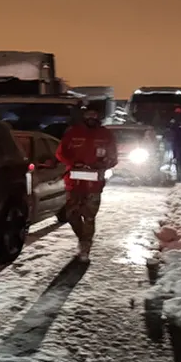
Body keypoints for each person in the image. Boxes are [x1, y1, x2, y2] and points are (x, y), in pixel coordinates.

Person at [55, 100, 119, 262]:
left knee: (89, 217)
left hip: (94, 184)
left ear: (99, 116)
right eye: (88, 114)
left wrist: (103, 164)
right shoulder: (73, 132)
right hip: (74, 182)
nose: (91, 117)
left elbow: (113, 158)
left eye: (94, 114)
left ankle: (85, 248)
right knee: (71, 215)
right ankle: (83, 239)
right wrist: (72, 163)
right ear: (83, 116)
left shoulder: (106, 135)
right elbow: (60, 153)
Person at [167, 117, 181, 182]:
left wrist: (174, 153)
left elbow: (174, 144)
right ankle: (179, 177)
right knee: (179, 164)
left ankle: (179, 177)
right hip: (180, 151)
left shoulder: (175, 135)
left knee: (178, 164)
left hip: (178, 151)